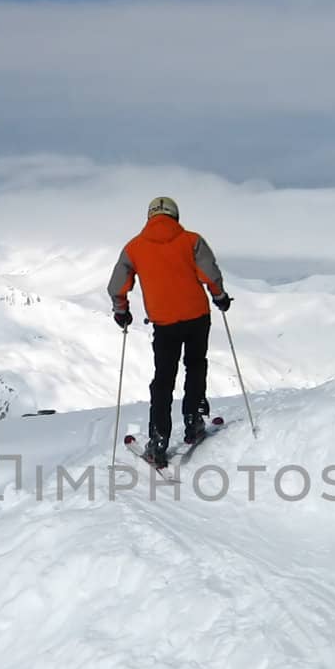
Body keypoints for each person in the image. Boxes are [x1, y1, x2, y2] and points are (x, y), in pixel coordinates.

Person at [108, 196, 231, 468]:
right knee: (196, 365)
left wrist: (121, 310)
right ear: (175, 216)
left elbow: (117, 286)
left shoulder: (134, 248)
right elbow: (209, 273)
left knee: (163, 380)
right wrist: (219, 296)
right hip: (198, 316)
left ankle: (159, 439)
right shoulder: (192, 240)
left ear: (149, 216)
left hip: (164, 323)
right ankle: (193, 418)